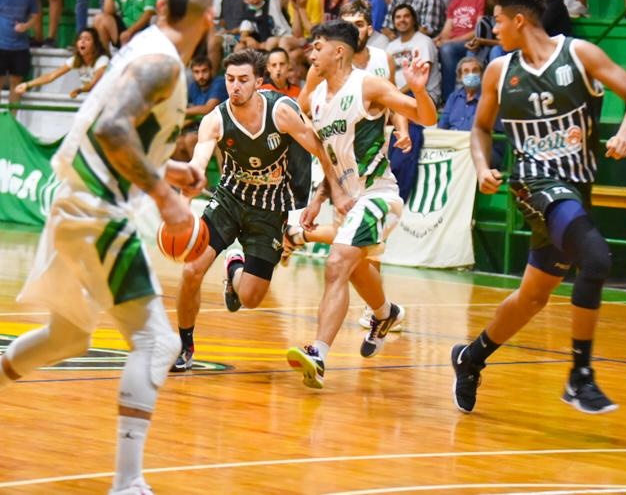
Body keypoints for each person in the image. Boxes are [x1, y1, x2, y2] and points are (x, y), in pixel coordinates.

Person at [0, 0, 215, 495]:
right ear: (208, 19)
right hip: (95, 209)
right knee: (156, 341)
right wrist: (165, 195)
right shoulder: (161, 64)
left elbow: (100, 122)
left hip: (76, 199)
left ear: (164, 8)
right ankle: (128, 485)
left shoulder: (145, 46)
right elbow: (109, 127)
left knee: (70, 335)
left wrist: (165, 167)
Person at [452, 0, 626, 416]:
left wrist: (625, 132)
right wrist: (484, 165)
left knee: (533, 297)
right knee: (597, 259)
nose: (495, 30)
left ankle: (471, 357)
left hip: (574, 190)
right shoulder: (498, 70)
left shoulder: (579, 55)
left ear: (519, 20)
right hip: (531, 184)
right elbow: (481, 128)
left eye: (499, 21)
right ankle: (580, 376)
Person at [285, 19, 438, 389]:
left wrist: (419, 90)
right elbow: (326, 151)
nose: (312, 53)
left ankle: (318, 353)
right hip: (344, 199)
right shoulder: (318, 96)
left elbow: (427, 118)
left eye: (318, 46)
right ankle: (386, 314)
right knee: (354, 267)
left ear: (339, 51)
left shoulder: (367, 83)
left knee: (337, 262)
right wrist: (321, 196)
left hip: (377, 196)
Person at [172, 48, 338, 371]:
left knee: (250, 298)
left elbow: (319, 148)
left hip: (270, 209)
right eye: (230, 80)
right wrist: (181, 206)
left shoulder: (282, 113)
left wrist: (329, 193)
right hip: (230, 200)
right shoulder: (215, 120)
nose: (235, 86)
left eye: (243, 80)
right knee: (191, 271)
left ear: (258, 82)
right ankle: (183, 345)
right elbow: (196, 166)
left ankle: (234, 268)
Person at [436, 0, 486, 101]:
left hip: (475, 42)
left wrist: (449, 42)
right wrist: (439, 39)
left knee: (447, 49)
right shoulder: (455, 2)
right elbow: (447, 29)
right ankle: (446, 101)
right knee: (434, 47)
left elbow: (479, 29)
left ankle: (450, 98)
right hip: (454, 44)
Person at [15, 26, 110, 99]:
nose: (83, 41)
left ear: (95, 45)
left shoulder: (102, 60)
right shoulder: (75, 60)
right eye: (80, 39)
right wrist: (27, 85)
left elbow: (93, 84)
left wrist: (80, 90)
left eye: (87, 39)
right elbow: (50, 76)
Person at [173, 56, 230, 161]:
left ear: (211, 70)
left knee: (190, 140)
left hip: (223, 129)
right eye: (197, 72)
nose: (201, 76)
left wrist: (182, 111)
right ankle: (189, 176)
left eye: (204, 71)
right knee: (176, 142)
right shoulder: (193, 87)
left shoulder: (219, 83)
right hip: (201, 128)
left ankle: (200, 176)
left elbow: (208, 109)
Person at [387, 3, 442, 107]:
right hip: (398, 95)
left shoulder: (424, 42)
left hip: (423, 95)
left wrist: (395, 95)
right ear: (394, 22)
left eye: (406, 16)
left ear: (414, 20)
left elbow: (420, 78)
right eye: (398, 17)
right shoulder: (391, 46)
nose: (402, 20)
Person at [438, 56, 484, 130]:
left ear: (482, 75)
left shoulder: (487, 98)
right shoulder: (453, 97)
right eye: (466, 71)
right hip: (451, 139)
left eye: (475, 70)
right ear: (460, 76)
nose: (471, 74)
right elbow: (442, 125)